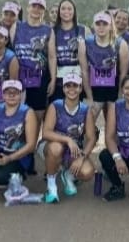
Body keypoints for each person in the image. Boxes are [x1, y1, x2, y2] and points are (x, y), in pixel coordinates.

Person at [38, 70, 96, 203]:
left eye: (75, 86)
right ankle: (51, 186)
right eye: (68, 86)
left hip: (73, 150)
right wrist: (67, 139)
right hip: (50, 146)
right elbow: (46, 132)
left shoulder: (85, 109)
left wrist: (82, 157)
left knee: (87, 172)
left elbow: (92, 138)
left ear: (80, 88)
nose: (71, 89)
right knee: (56, 148)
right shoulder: (56, 105)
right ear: (63, 88)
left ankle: (68, 174)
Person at [13, 0, 55, 121]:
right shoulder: (16, 27)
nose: (36, 9)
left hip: (40, 78)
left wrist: (53, 79)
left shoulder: (48, 30)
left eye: (40, 7)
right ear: (28, 8)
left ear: (44, 11)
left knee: (37, 115)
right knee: (17, 114)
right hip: (19, 77)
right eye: (34, 6)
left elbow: (52, 56)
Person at [83, 12, 128, 128]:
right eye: (98, 24)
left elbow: (123, 73)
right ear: (93, 25)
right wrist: (89, 97)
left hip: (113, 91)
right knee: (86, 126)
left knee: (113, 126)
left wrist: (120, 95)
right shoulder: (86, 43)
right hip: (94, 91)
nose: (101, 27)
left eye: (105, 24)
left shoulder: (120, 44)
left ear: (111, 26)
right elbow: (84, 71)